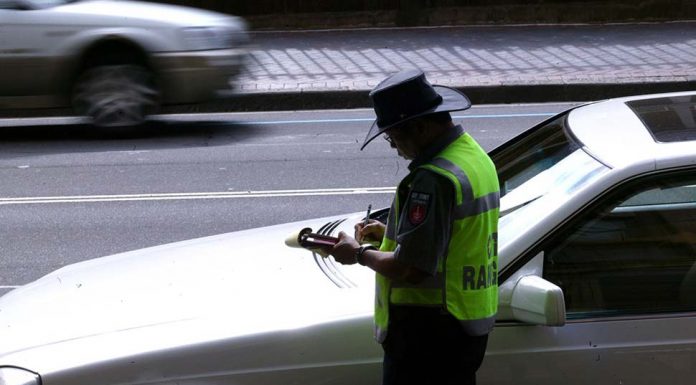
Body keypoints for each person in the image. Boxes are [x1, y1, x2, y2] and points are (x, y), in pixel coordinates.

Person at [327, 69, 500, 385]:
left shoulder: (432, 179)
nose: (394, 147)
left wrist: (359, 253)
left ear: (420, 127)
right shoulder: (472, 155)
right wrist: (389, 236)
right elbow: (452, 236)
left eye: (394, 136)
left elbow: (412, 268)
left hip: (427, 337)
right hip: (463, 328)